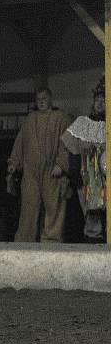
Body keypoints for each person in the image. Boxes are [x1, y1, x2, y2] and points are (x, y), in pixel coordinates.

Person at [6, 88, 72, 242]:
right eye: (38, 99)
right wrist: (14, 163)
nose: (41, 101)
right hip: (31, 173)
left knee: (53, 208)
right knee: (28, 208)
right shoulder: (30, 119)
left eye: (44, 98)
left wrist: (61, 164)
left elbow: (67, 145)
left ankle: (52, 241)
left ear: (51, 99)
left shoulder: (61, 118)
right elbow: (20, 143)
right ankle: (25, 242)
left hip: (52, 172)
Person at [63, 78, 106, 242]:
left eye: (104, 100)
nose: (100, 103)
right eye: (97, 100)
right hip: (87, 180)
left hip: (106, 179)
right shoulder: (82, 124)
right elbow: (73, 153)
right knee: (91, 217)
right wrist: (75, 177)